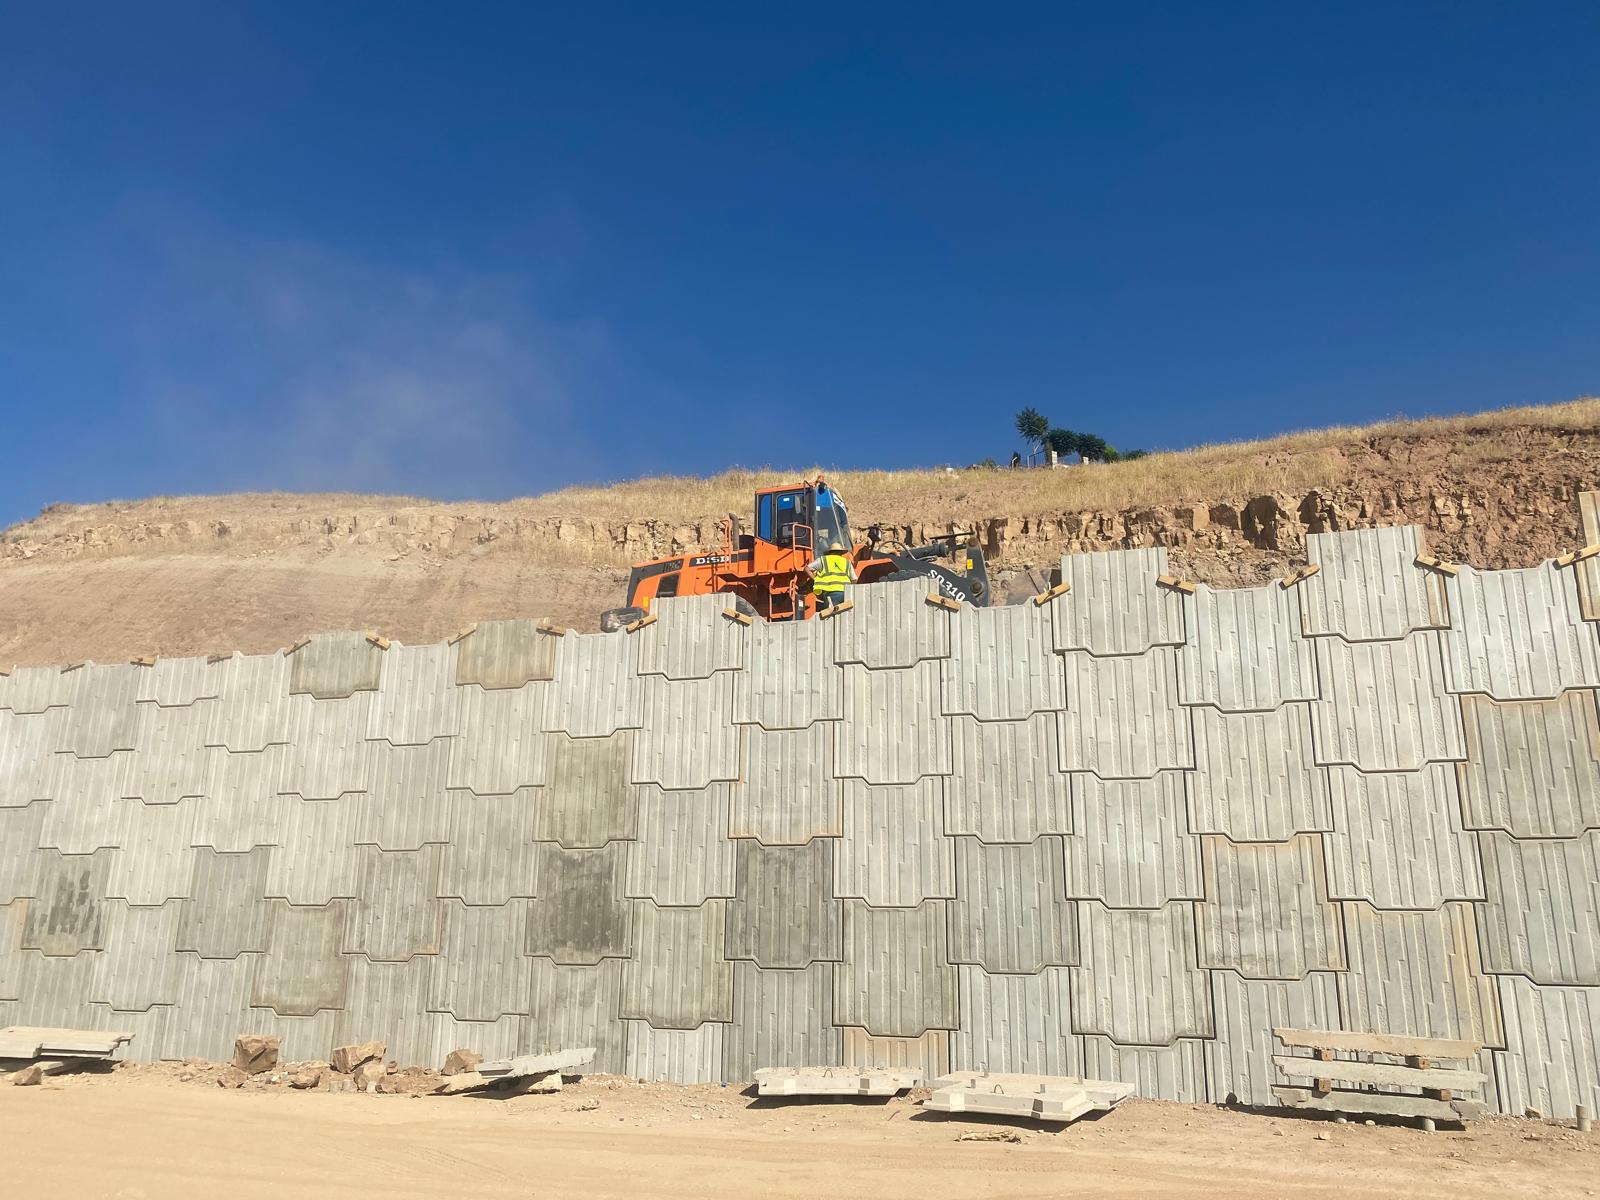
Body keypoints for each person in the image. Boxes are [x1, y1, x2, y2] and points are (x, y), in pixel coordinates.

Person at [810, 540, 855, 612]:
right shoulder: (847, 562)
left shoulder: (823, 560)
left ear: (830, 552)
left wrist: (815, 579)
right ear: (841, 552)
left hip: (830, 594)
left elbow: (807, 569)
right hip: (845, 593)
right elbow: (854, 579)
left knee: (829, 616)